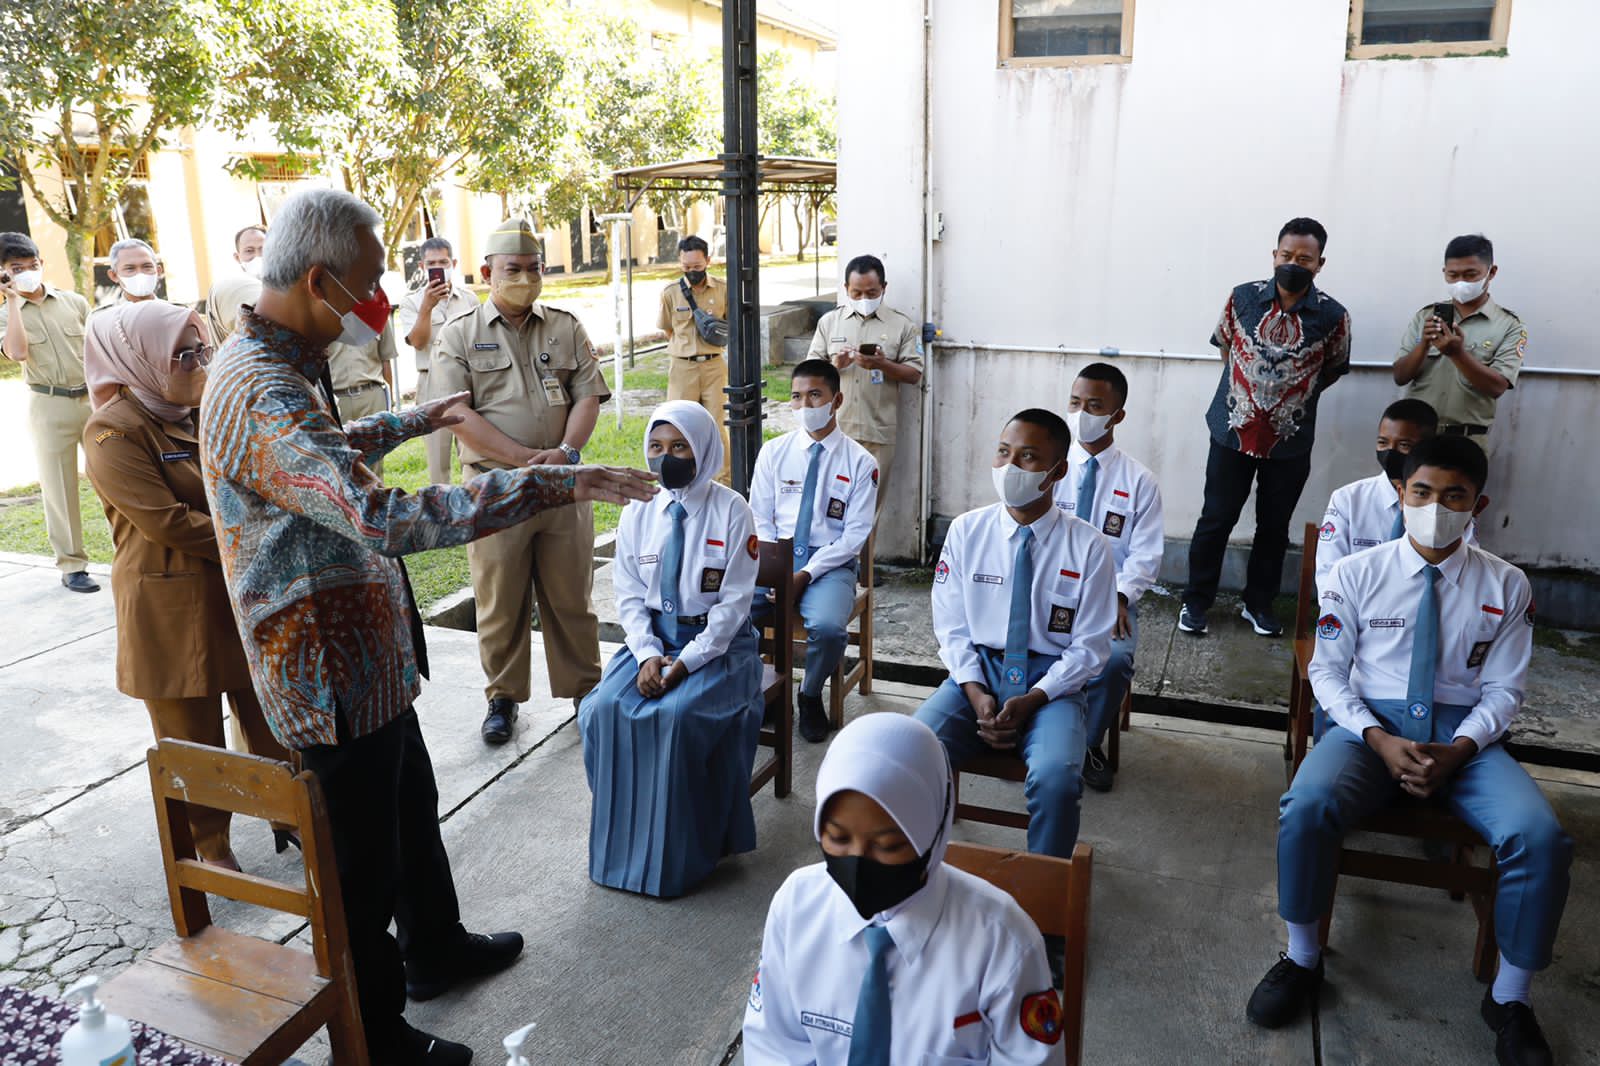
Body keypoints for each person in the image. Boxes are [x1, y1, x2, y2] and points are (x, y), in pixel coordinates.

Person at [199, 188, 656, 1065]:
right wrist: (551, 483)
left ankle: (435, 948)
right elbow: (380, 517)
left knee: (411, 811)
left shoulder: (286, 360)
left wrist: (420, 416)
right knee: (360, 867)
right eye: (371, 282)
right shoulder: (259, 385)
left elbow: (322, 454)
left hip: (365, 655)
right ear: (320, 279)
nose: (383, 301)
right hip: (325, 673)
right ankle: (374, 1038)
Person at [1248, 437, 1571, 1066]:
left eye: (1454, 496)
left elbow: (1505, 690)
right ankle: (1303, 958)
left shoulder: (1506, 585)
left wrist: (1460, 748)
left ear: (1478, 504)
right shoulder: (1355, 574)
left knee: (1540, 837)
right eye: (1421, 492)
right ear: (1400, 493)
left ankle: (1510, 997)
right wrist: (1376, 736)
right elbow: (1327, 672)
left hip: (1465, 738)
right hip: (1368, 728)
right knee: (1305, 806)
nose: (1435, 508)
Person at [82, 300, 295, 870]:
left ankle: (290, 815)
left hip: (235, 589)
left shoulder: (201, 411)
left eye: (202, 350)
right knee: (192, 739)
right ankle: (210, 847)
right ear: (139, 357)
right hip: (171, 606)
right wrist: (259, 534)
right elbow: (167, 521)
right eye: (183, 355)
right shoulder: (113, 429)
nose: (199, 364)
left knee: (270, 715)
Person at [743, 712, 1066, 1065]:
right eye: (837, 838)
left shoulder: (1002, 943)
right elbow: (773, 1046)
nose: (858, 863)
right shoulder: (798, 907)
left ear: (935, 832)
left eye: (888, 846)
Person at [915, 408, 1115, 936]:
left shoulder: (1089, 546)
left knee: (1056, 777)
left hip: (1054, 684)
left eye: (1028, 457)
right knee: (913, 748)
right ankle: (917, 885)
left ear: (1057, 471)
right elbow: (951, 626)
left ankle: (1043, 913)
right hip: (979, 670)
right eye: (1004, 452)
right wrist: (975, 691)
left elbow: (1091, 648)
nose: (1010, 467)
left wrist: (1034, 698)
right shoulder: (967, 531)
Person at [435, 218, 612, 746]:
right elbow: (456, 415)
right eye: (513, 269)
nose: (526, 278)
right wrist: (521, 460)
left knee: (571, 594)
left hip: (563, 484)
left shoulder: (565, 325)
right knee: (500, 598)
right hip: (495, 488)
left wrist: (566, 453)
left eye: (534, 268)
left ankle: (586, 691)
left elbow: (587, 394)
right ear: (487, 271)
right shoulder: (459, 333)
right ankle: (503, 697)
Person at [578, 401, 764, 897]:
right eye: (657, 447)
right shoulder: (639, 508)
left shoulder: (732, 510)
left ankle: (693, 851)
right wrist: (646, 655)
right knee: (599, 710)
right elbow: (629, 595)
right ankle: (623, 844)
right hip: (653, 641)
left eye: (680, 447)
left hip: (720, 649)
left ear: (702, 449)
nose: (666, 458)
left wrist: (686, 662)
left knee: (677, 717)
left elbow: (733, 606)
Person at [1181, 217, 1352, 639]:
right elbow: (1226, 346)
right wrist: (1248, 395)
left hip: (1290, 440)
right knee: (1216, 519)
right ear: (1274, 255)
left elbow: (1333, 368)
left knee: (1274, 528)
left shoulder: (1333, 315)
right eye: (1286, 255)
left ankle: (1258, 604)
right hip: (1231, 431)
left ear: (1320, 263)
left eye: (1305, 259)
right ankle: (1196, 601)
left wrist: (1289, 399)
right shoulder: (1242, 298)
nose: (1294, 263)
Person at [749, 359, 878, 743]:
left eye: (815, 395)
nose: (805, 405)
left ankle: (809, 694)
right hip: (777, 554)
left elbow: (853, 537)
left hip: (830, 563)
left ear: (836, 400)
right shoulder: (773, 452)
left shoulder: (860, 463)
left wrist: (804, 575)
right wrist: (776, 568)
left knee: (828, 628)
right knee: (733, 612)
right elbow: (760, 516)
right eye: (797, 396)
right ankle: (763, 688)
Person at [1051, 363, 1163, 793]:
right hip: (1049, 592)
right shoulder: (1050, 466)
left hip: (1109, 599)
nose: (1081, 414)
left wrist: (1119, 596)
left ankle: (1085, 744)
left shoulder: (1139, 481)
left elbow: (1146, 555)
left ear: (1118, 415)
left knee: (1114, 661)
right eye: (1075, 403)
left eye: (1094, 406)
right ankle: (1034, 728)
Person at [0, 231, 99, 593]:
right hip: (48, 404)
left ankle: (132, 551)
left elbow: (99, 349)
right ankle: (73, 565)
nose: (27, 272)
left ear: (42, 263)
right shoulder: (5, 314)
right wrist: (12, 301)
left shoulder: (74, 302)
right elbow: (17, 353)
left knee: (115, 476)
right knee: (59, 487)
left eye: (32, 264)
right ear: (3, 273)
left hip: (92, 400)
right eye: (16, 268)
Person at [1315, 398, 1477, 594]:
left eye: (1404, 445)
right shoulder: (1348, 500)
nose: (1390, 452)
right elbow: (1329, 573)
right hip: (1359, 604)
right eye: (1383, 442)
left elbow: (1466, 568)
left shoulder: (1445, 506)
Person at [806, 254, 923, 509]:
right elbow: (808, 375)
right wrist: (835, 366)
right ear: (846, 289)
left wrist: (881, 364)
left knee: (869, 509)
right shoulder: (829, 323)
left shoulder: (902, 325)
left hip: (877, 432)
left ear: (884, 288)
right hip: (835, 430)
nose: (864, 299)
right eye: (856, 293)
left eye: (871, 293)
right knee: (831, 507)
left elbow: (914, 374)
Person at [1391, 234, 1526, 450]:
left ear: (1491, 272)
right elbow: (1400, 376)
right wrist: (1424, 345)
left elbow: (1497, 387)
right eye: (1453, 275)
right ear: (1444, 272)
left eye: (1470, 275)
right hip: (1416, 438)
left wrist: (1458, 354)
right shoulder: (1425, 316)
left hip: (1466, 440)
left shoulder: (1509, 325)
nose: (1461, 282)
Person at [396, 237, 477, 485]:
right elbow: (418, 342)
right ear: (422, 266)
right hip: (431, 382)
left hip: (467, 383)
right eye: (431, 264)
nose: (438, 268)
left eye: (443, 262)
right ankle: (442, 506)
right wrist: (427, 307)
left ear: (453, 264)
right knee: (438, 462)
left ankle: (474, 502)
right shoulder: (411, 302)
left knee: (473, 455)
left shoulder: (469, 299)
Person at [657, 235, 731, 480]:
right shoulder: (670, 293)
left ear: (708, 260)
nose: (692, 272)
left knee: (718, 426)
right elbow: (668, 330)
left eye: (697, 266)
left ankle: (724, 481)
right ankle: (683, 477)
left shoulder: (722, 289)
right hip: (682, 368)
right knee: (678, 424)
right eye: (686, 267)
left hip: (714, 366)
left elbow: (730, 324)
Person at [326, 319, 400, 477]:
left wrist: (390, 400)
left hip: (372, 395)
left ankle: (376, 492)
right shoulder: (324, 313)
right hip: (336, 399)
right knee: (340, 465)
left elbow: (386, 360)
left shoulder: (376, 313)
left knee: (375, 464)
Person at [205, 224, 267, 345]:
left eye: (263, 249)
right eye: (249, 251)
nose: (258, 256)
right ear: (237, 257)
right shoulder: (233, 289)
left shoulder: (282, 285)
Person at [97, 238, 164, 308]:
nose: (140, 274)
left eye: (147, 267)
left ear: (158, 271)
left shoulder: (171, 311)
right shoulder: (106, 314)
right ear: (114, 276)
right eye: (130, 268)